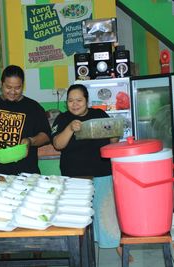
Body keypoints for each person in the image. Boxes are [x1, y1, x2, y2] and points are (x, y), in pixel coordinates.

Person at [51, 84, 129, 260]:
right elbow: (57, 144)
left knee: (106, 212)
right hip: (74, 176)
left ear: (87, 100)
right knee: (78, 216)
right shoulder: (63, 119)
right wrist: (70, 128)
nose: (75, 104)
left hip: (102, 172)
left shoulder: (99, 115)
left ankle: (116, 244)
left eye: (79, 100)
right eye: (70, 100)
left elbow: (113, 140)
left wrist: (114, 134)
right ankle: (77, 249)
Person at [0, 65, 51, 175]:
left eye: (17, 88)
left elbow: (46, 135)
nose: (13, 92)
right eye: (8, 87)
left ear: (23, 86)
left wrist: (30, 141)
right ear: (1, 84)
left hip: (28, 175)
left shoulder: (33, 107)